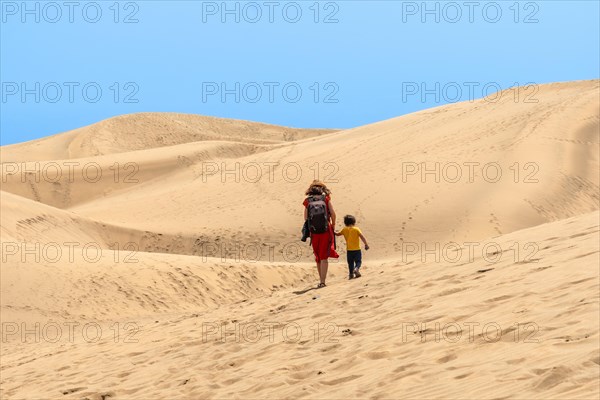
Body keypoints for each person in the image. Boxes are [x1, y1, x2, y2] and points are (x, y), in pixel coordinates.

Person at [303, 180, 339, 288]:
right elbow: (333, 214)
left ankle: (320, 280)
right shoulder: (326, 199)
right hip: (325, 230)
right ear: (322, 189)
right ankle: (323, 281)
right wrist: (333, 225)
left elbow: (305, 218)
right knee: (324, 257)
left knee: (318, 256)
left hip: (314, 232)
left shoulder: (307, 201)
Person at [335, 215, 369, 279]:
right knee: (358, 261)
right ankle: (356, 269)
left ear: (345, 222)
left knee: (350, 263)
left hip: (349, 250)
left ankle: (351, 274)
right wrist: (366, 244)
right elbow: (362, 237)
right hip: (357, 250)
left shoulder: (344, 229)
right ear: (354, 221)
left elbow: (338, 234)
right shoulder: (356, 229)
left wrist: (333, 231)